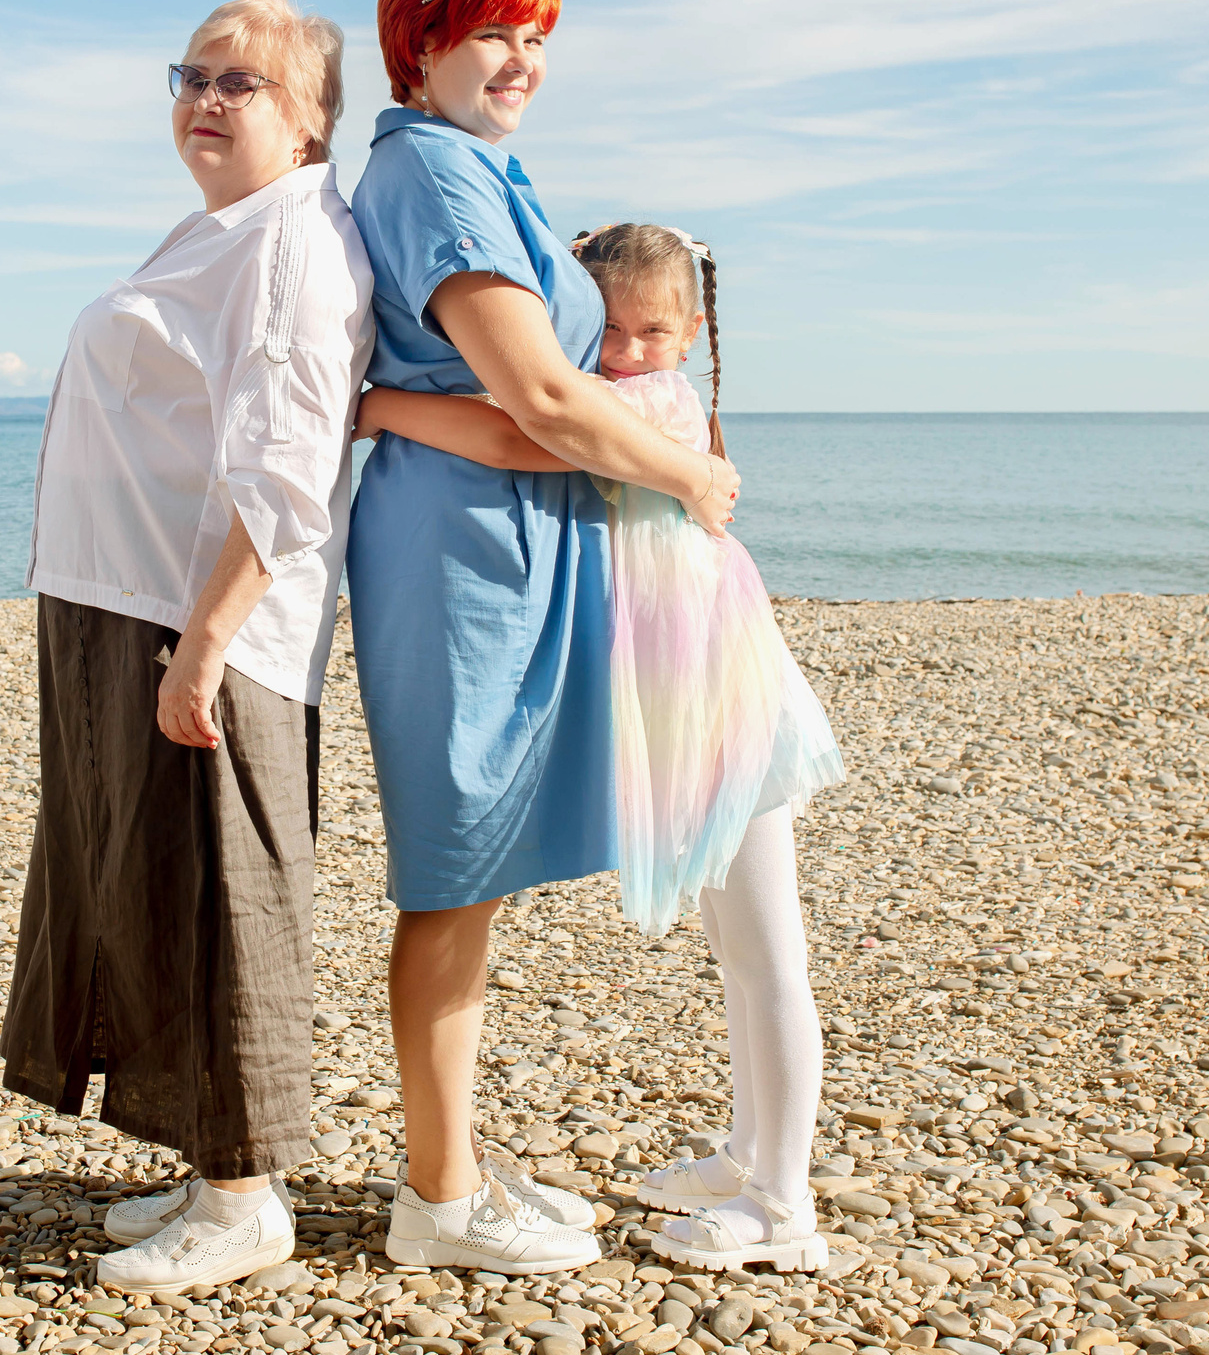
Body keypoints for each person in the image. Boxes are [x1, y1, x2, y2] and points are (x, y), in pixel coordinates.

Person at [344, 0, 742, 1275]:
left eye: (533, 32)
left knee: (477, 871)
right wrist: (687, 479)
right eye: (487, 30)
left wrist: (396, 403)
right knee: (452, 870)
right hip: (462, 558)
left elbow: (514, 402)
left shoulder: (467, 162)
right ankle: (437, 1202)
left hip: (502, 539)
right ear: (420, 46)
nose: (518, 56)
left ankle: (450, 1158)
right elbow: (545, 394)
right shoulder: (440, 178)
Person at [356, 222, 846, 1272]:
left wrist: (372, 404)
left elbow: (512, 436)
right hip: (679, 706)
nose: (624, 350)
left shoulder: (648, 405)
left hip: (719, 702)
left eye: (653, 330)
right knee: (738, 954)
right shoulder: (639, 397)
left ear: (694, 330)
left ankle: (783, 1202)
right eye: (607, 328)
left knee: (768, 959)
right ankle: (746, 1151)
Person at [0, 0, 374, 1294]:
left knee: (226, 894)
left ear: (313, 118)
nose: (207, 98)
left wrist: (206, 641)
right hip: (130, 596)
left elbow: (285, 462)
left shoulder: (292, 244)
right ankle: (210, 1162)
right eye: (193, 74)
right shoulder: (230, 228)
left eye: (244, 82)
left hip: (195, 613)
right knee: (145, 883)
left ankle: (244, 1195)